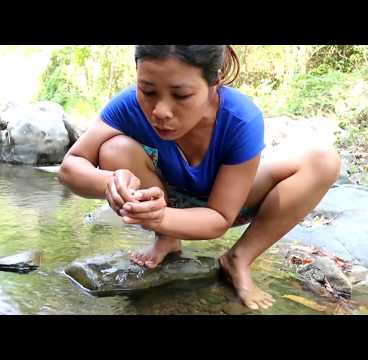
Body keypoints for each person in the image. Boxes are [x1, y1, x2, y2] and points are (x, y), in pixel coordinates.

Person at [58, 45, 340, 310]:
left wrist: (158, 216)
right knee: (114, 148)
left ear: (214, 83)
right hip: (161, 199)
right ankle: (167, 239)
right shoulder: (128, 105)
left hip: (226, 204)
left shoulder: (240, 118)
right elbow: (71, 166)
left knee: (324, 161)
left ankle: (238, 259)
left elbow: (219, 217)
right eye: (147, 90)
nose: (160, 111)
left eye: (181, 95)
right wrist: (111, 182)